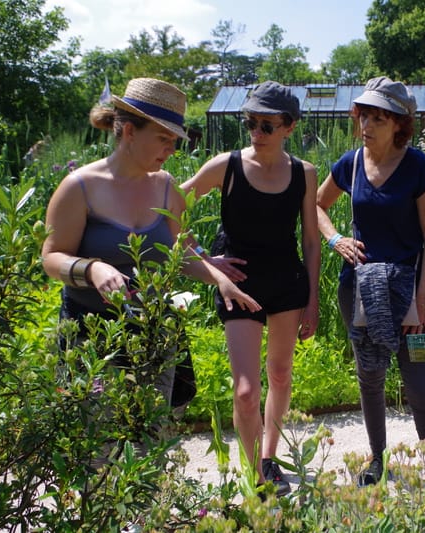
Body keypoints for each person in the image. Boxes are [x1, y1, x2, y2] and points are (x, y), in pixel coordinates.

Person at [41, 77, 261, 412]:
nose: (172, 149)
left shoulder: (166, 186)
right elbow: (51, 257)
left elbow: (181, 252)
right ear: (129, 132)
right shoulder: (79, 187)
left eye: (174, 140)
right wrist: (93, 268)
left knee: (151, 439)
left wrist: (220, 279)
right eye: (163, 139)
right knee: (94, 445)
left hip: (154, 332)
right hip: (91, 336)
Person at [315, 76, 425, 517]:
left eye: (379, 117)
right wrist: (335, 238)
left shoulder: (416, 166)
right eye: (364, 114)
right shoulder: (350, 163)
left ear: (399, 123)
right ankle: (376, 460)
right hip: (359, 288)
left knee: (421, 388)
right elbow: (317, 204)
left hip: (411, 293)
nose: (367, 123)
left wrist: (422, 300)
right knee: (370, 379)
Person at [180, 81, 320, 497]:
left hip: (287, 283)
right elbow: (171, 208)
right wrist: (206, 260)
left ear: (289, 127)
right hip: (238, 283)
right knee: (245, 391)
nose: (256, 133)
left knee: (280, 374)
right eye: (251, 123)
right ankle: (253, 476)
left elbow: (311, 241)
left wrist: (312, 300)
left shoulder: (304, 173)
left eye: (267, 125)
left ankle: (268, 458)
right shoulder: (226, 166)